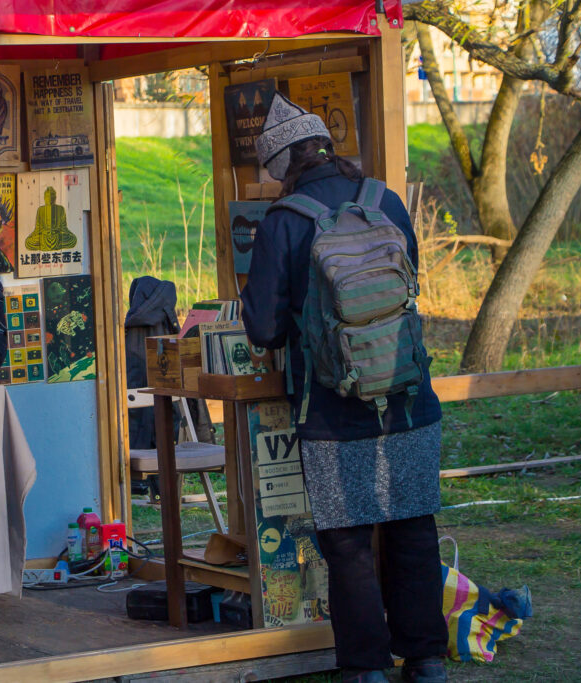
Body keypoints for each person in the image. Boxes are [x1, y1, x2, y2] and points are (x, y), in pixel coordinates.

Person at [241, 93, 448, 683]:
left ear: (284, 165)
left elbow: (263, 327)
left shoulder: (284, 221)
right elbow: (409, 282)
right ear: (327, 148)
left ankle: (365, 669)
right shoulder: (384, 200)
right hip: (408, 398)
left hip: (331, 408)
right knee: (413, 527)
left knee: (348, 540)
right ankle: (426, 660)